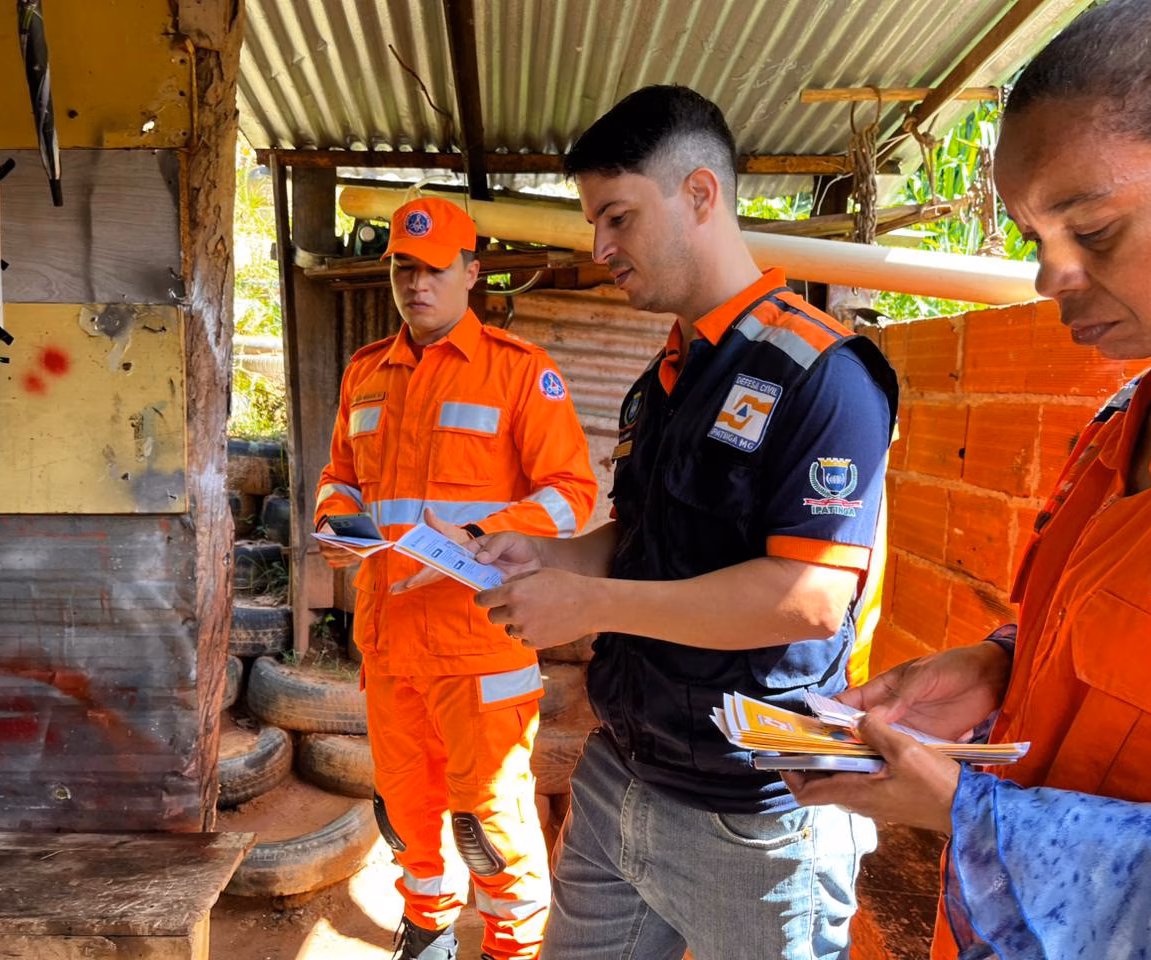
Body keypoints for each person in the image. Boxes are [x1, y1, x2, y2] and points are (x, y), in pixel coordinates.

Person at [786, 1, 1151, 957]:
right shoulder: (1123, 419)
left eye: (1094, 230)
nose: (1047, 278)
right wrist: (1002, 665)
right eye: (1034, 238)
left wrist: (969, 811)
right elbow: (1123, 643)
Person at [462, 85, 899, 960]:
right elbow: (642, 540)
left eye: (617, 217)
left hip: (755, 815)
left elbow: (809, 599)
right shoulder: (664, 379)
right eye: (594, 222)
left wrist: (592, 606)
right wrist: (551, 555)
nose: (600, 248)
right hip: (621, 772)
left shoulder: (822, 374)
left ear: (700, 194)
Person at [314, 196, 598, 960]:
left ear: (472, 273)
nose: (417, 283)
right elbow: (340, 477)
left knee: (489, 821)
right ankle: (428, 929)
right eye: (404, 268)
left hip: (480, 646)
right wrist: (338, 524)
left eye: (435, 268)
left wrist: (483, 533)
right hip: (389, 645)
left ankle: (512, 945)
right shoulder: (365, 374)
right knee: (405, 810)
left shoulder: (518, 373)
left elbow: (572, 493)